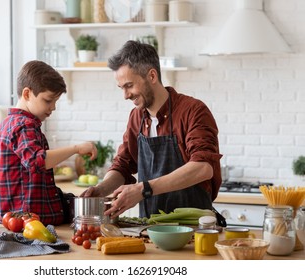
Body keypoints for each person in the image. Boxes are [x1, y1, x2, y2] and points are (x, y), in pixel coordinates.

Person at [82, 40, 222, 220]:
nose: (125, 96)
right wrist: (101, 190)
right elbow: (123, 165)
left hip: (193, 230)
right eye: (121, 88)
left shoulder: (193, 111)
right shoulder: (136, 117)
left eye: (129, 85)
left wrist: (143, 189)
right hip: (149, 228)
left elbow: (203, 167)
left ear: (152, 76)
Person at [0, 60, 97, 225]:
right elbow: (37, 161)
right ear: (27, 94)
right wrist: (76, 148)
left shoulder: (7, 125)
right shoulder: (24, 126)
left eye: (55, 101)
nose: (53, 107)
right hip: (29, 221)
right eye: (48, 100)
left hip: (17, 219)